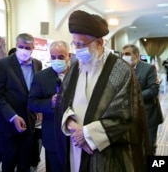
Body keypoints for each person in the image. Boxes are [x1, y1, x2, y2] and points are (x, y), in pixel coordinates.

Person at [54, 10, 150, 172]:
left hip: (107, 152)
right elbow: (63, 101)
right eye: (74, 44)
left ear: (99, 42)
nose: (77, 49)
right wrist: (72, 126)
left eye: (81, 44)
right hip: (76, 146)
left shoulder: (120, 70)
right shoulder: (75, 68)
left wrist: (87, 134)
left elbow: (125, 114)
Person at [0, 33, 42, 172]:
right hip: (8, 123)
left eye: (27, 47)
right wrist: (13, 116)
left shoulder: (37, 64)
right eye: (21, 47)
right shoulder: (3, 64)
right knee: (9, 161)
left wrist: (37, 108)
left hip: (29, 121)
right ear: (16, 45)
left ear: (33, 47)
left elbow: (35, 90)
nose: (24, 50)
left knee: (25, 162)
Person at [28, 40, 71, 172]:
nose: (56, 60)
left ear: (68, 56)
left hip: (75, 135)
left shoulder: (78, 73)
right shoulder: (41, 77)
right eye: (53, 57)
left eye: (61, 57)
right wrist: (50, 103)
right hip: (53, 134)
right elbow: (32, 103)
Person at [122, 44, 163, 155]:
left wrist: (132, 95)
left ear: (136, 55)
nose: (124, 57)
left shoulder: (149, 68)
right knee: (135, 147)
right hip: (130, 116)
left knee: (149, 146)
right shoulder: (122, 69)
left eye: (127, 54)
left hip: (148, 114)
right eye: (122, 54)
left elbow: (153, 90)